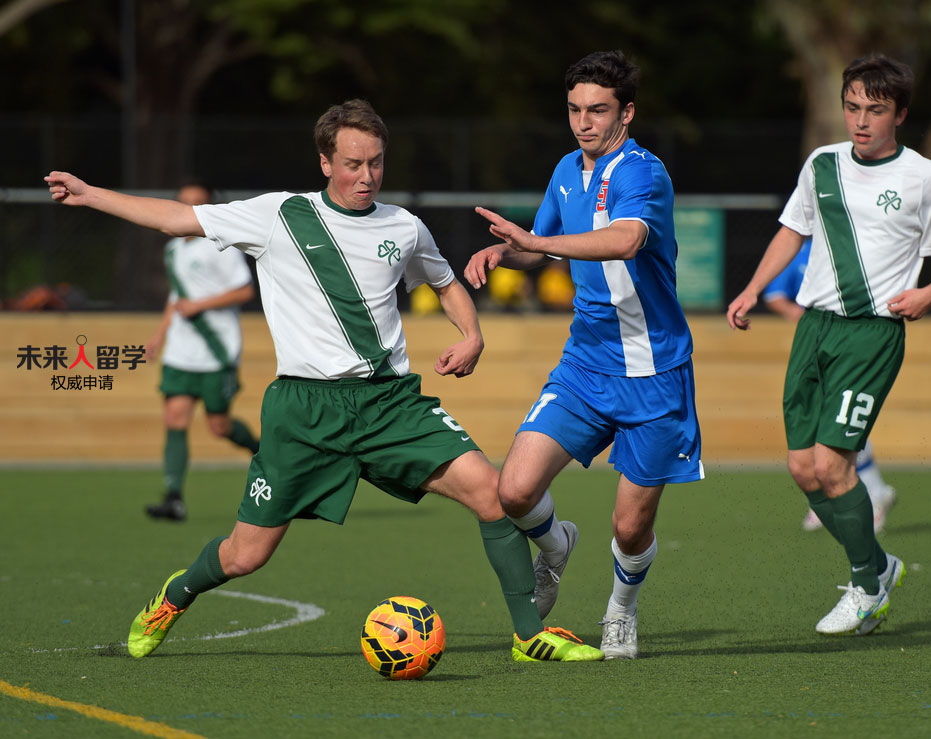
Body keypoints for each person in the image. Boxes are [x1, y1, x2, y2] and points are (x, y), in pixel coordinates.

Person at [45, 99, 602, 664]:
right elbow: (173, 219)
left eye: (377, 163)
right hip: (304, 413)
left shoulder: (404, 226)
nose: (367, 177)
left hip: (388, 404)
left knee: (492, 493)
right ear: (325, 162)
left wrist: (472, 334)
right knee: (245, 556)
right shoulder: (277, 215)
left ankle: (529, 635)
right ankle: (176, 594)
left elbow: (444, 280)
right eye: (354, 164)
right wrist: (91, 195)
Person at [465, 50, 704, 659]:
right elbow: (540, 246)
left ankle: (621, 610)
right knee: (513, 491)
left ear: (627, 112)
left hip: (653, 374)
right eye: (574, 109)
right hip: (585, 366)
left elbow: (625, 239)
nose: (583, 122)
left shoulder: (642, 173)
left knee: (629, 526)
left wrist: (537, 241)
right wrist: (503, 253)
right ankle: (555, 545)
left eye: (597, 110)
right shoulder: (566, 170)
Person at [727, 54, 931, 636]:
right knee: (802, 469)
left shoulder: (923, 177)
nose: (861, 121)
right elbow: (793, 230)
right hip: (815, 328)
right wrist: (754, 288)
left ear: (900, 114)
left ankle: (866, 585)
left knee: (835, 465)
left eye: (875, 110)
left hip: (872, 334)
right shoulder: (823, 164)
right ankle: (880, 565)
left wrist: (929, 295)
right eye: (853, 107)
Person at [762, 239, 897, 534]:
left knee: (840, 418)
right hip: (814, 343)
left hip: (853, 341)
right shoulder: (798, 248)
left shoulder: (854, 242)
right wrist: (800, 315)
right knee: (828, 421)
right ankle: (867, 492)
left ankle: (868, 494)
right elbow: (774, 295)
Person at [143, 181, 259, 522]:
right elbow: (177, 297)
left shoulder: (221, 247)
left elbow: (244, 291)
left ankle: (262, 453)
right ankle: (173, 498)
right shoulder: (172, 250)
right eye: (184, 204)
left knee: (218, 427)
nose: (189, 211)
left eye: (198, 205)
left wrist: (200, 305)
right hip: (181, 351)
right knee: (174, 418)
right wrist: (159, 335)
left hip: (216, 352)